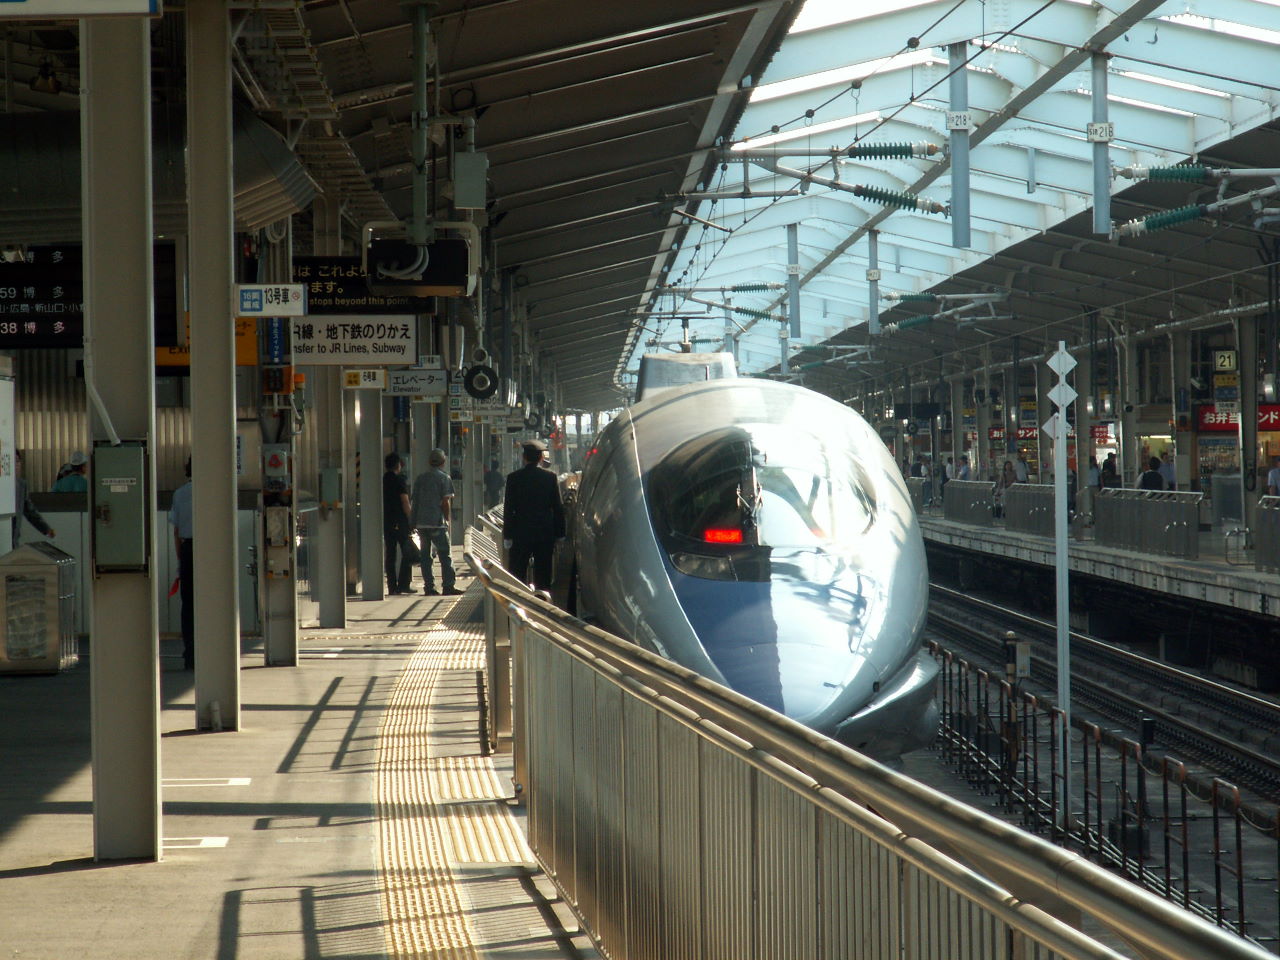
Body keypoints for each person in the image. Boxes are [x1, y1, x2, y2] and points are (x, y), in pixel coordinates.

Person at [503, 440, 565, 591]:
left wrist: (508, 535)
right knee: (543, 574)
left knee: (517, 574)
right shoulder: (550, 477)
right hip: (544, 533)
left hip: (520, 533)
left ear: (524, 457)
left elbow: (509, 508)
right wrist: (560, 534)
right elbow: (557, 507)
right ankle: (542, 604)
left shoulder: (513, 478)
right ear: (541, 458)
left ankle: (519, 606)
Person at [412, 448, 459, 596]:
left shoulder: (420, 478)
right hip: (437, 522)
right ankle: (448, 586)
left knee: (425, 557)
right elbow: (445, 502)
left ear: (429, 462)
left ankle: (429, 587)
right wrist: (447, 519)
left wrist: (413, 522)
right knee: (445, 554)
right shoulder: (444, 478)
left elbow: (415, 502)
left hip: (421, 523)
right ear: (443, 462)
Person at [168, 458, 194, 670]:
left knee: (189, 605)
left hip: (188, 550)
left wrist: (181, 559)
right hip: (212, 551)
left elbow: (176, 532)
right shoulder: (216, 492)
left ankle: (190, 654)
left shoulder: (180, 494)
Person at [382, 452, 417, 595]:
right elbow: (405, 501)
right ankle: (403, 584)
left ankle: (392, 586)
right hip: (400, 521)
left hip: (387, 521)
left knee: (390, 554)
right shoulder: (399, 480)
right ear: (398, 465)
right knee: (407, 552)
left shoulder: (383, 480)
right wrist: (411, 519)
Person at [12, 449, 54, 550]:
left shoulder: (21, 485)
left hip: (12, 540)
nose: (15, 465)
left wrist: (46, 529)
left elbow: (29, 510)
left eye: (17, 461)